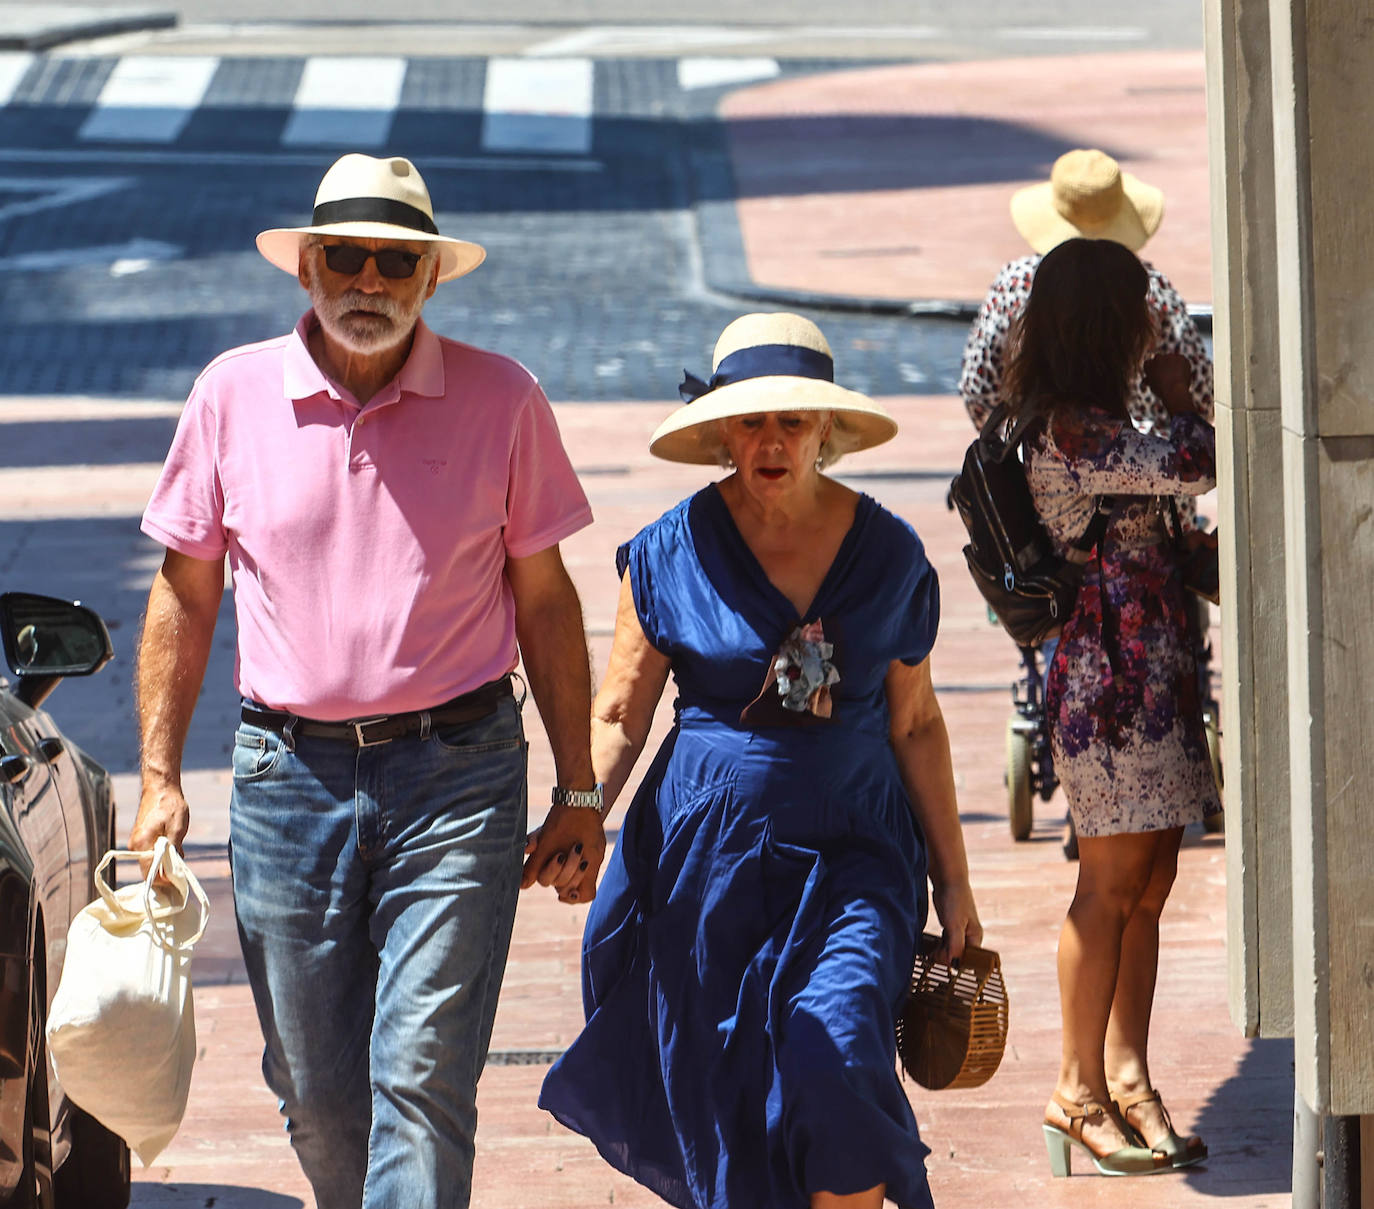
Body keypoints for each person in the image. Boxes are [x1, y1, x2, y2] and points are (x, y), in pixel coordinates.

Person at [132, 153, 604, 1209]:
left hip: (460, 774)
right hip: (284, 781)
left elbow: (546, 600)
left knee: (422, 1076)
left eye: (399, 262)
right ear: (307, 267)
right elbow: (184, 596)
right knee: (315, 1090)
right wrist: (160, 773)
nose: (371, 282)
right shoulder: (230, 395)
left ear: (431, 279)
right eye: (347, 256)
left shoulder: (504, 398)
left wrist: (579, 790)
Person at [538, 312, 983, 1209]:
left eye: (791, 420)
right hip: (706, 860)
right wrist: (580, 807)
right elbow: (622, 709)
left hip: (855, 849)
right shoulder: (670, 550)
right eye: (750, 421)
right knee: (728, 1090)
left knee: (842, 1053)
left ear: (827, 429)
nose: (771, 441)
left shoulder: (891, 553)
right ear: (720, 432)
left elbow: (918, 726)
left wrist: (957, 882)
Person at [1001, 238, 1219, 1177]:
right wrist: (1177, 390)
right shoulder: (1065, 431)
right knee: (1106, 884)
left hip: (1156, 664)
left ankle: (1128, 1078)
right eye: (1138, 312)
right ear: (1105, 324)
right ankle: (1075, 1087)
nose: (1150, 328)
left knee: (1153, 880)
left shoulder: (1093, 420)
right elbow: (1198, 458)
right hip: (1108, 682)